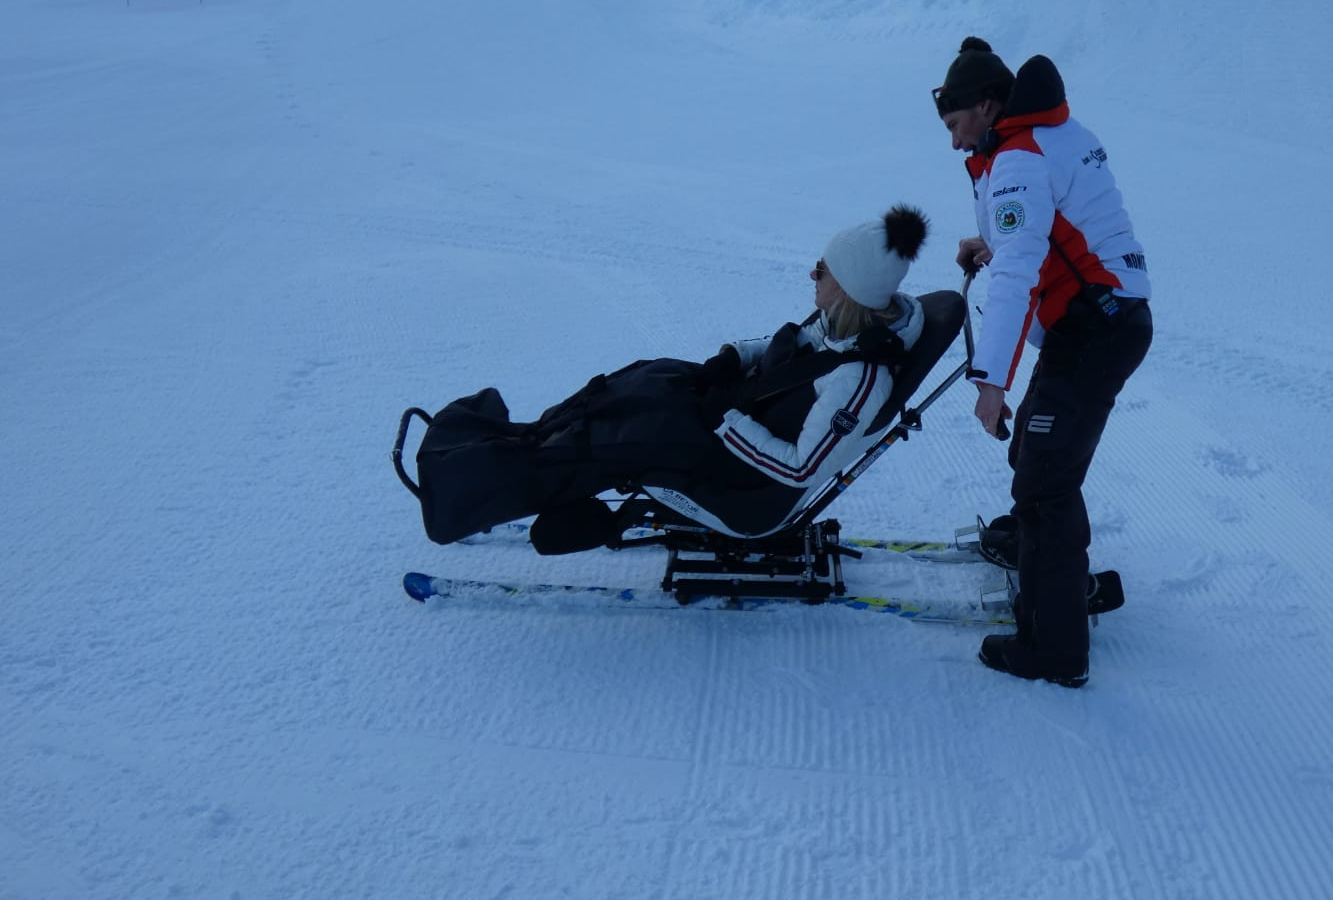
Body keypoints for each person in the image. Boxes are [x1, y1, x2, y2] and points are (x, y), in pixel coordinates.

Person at [403, 205, 931, 548]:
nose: (811, 276)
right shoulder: (841, 325)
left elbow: (797, 470)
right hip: (733, 422)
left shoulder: (859, 382)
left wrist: (725, 421)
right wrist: (734, 357)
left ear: (849, 290)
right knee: (641, 382)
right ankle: (524, 439)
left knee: (622, 440)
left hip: (746, 491)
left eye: (823, 270)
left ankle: (475, 486)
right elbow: (788, 347)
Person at [933, 37, 1154, 687]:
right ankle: (1028, 548)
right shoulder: (1047, 132)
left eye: (955, 125)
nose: (952, 143)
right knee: (1034, 447)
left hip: (1097, 327)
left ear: (988, 104)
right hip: (1101, 317)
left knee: (1046, 483)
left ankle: (1055, 651)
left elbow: (1020, 274)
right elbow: (1047, 230)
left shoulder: (1020, 158)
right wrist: (994, 242)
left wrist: (991, 382)